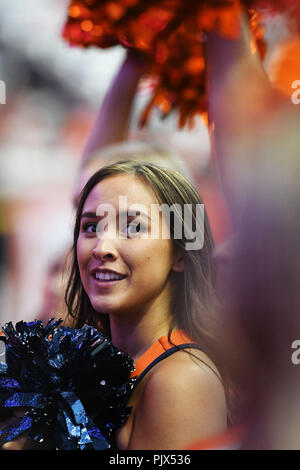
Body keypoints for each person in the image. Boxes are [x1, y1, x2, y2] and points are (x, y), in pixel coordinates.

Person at [65, 158, 228, 450]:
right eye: (91, 227)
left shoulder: (182, 381)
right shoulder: (97, 357)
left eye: (134, 228)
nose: (102, 247)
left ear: (180, 252)